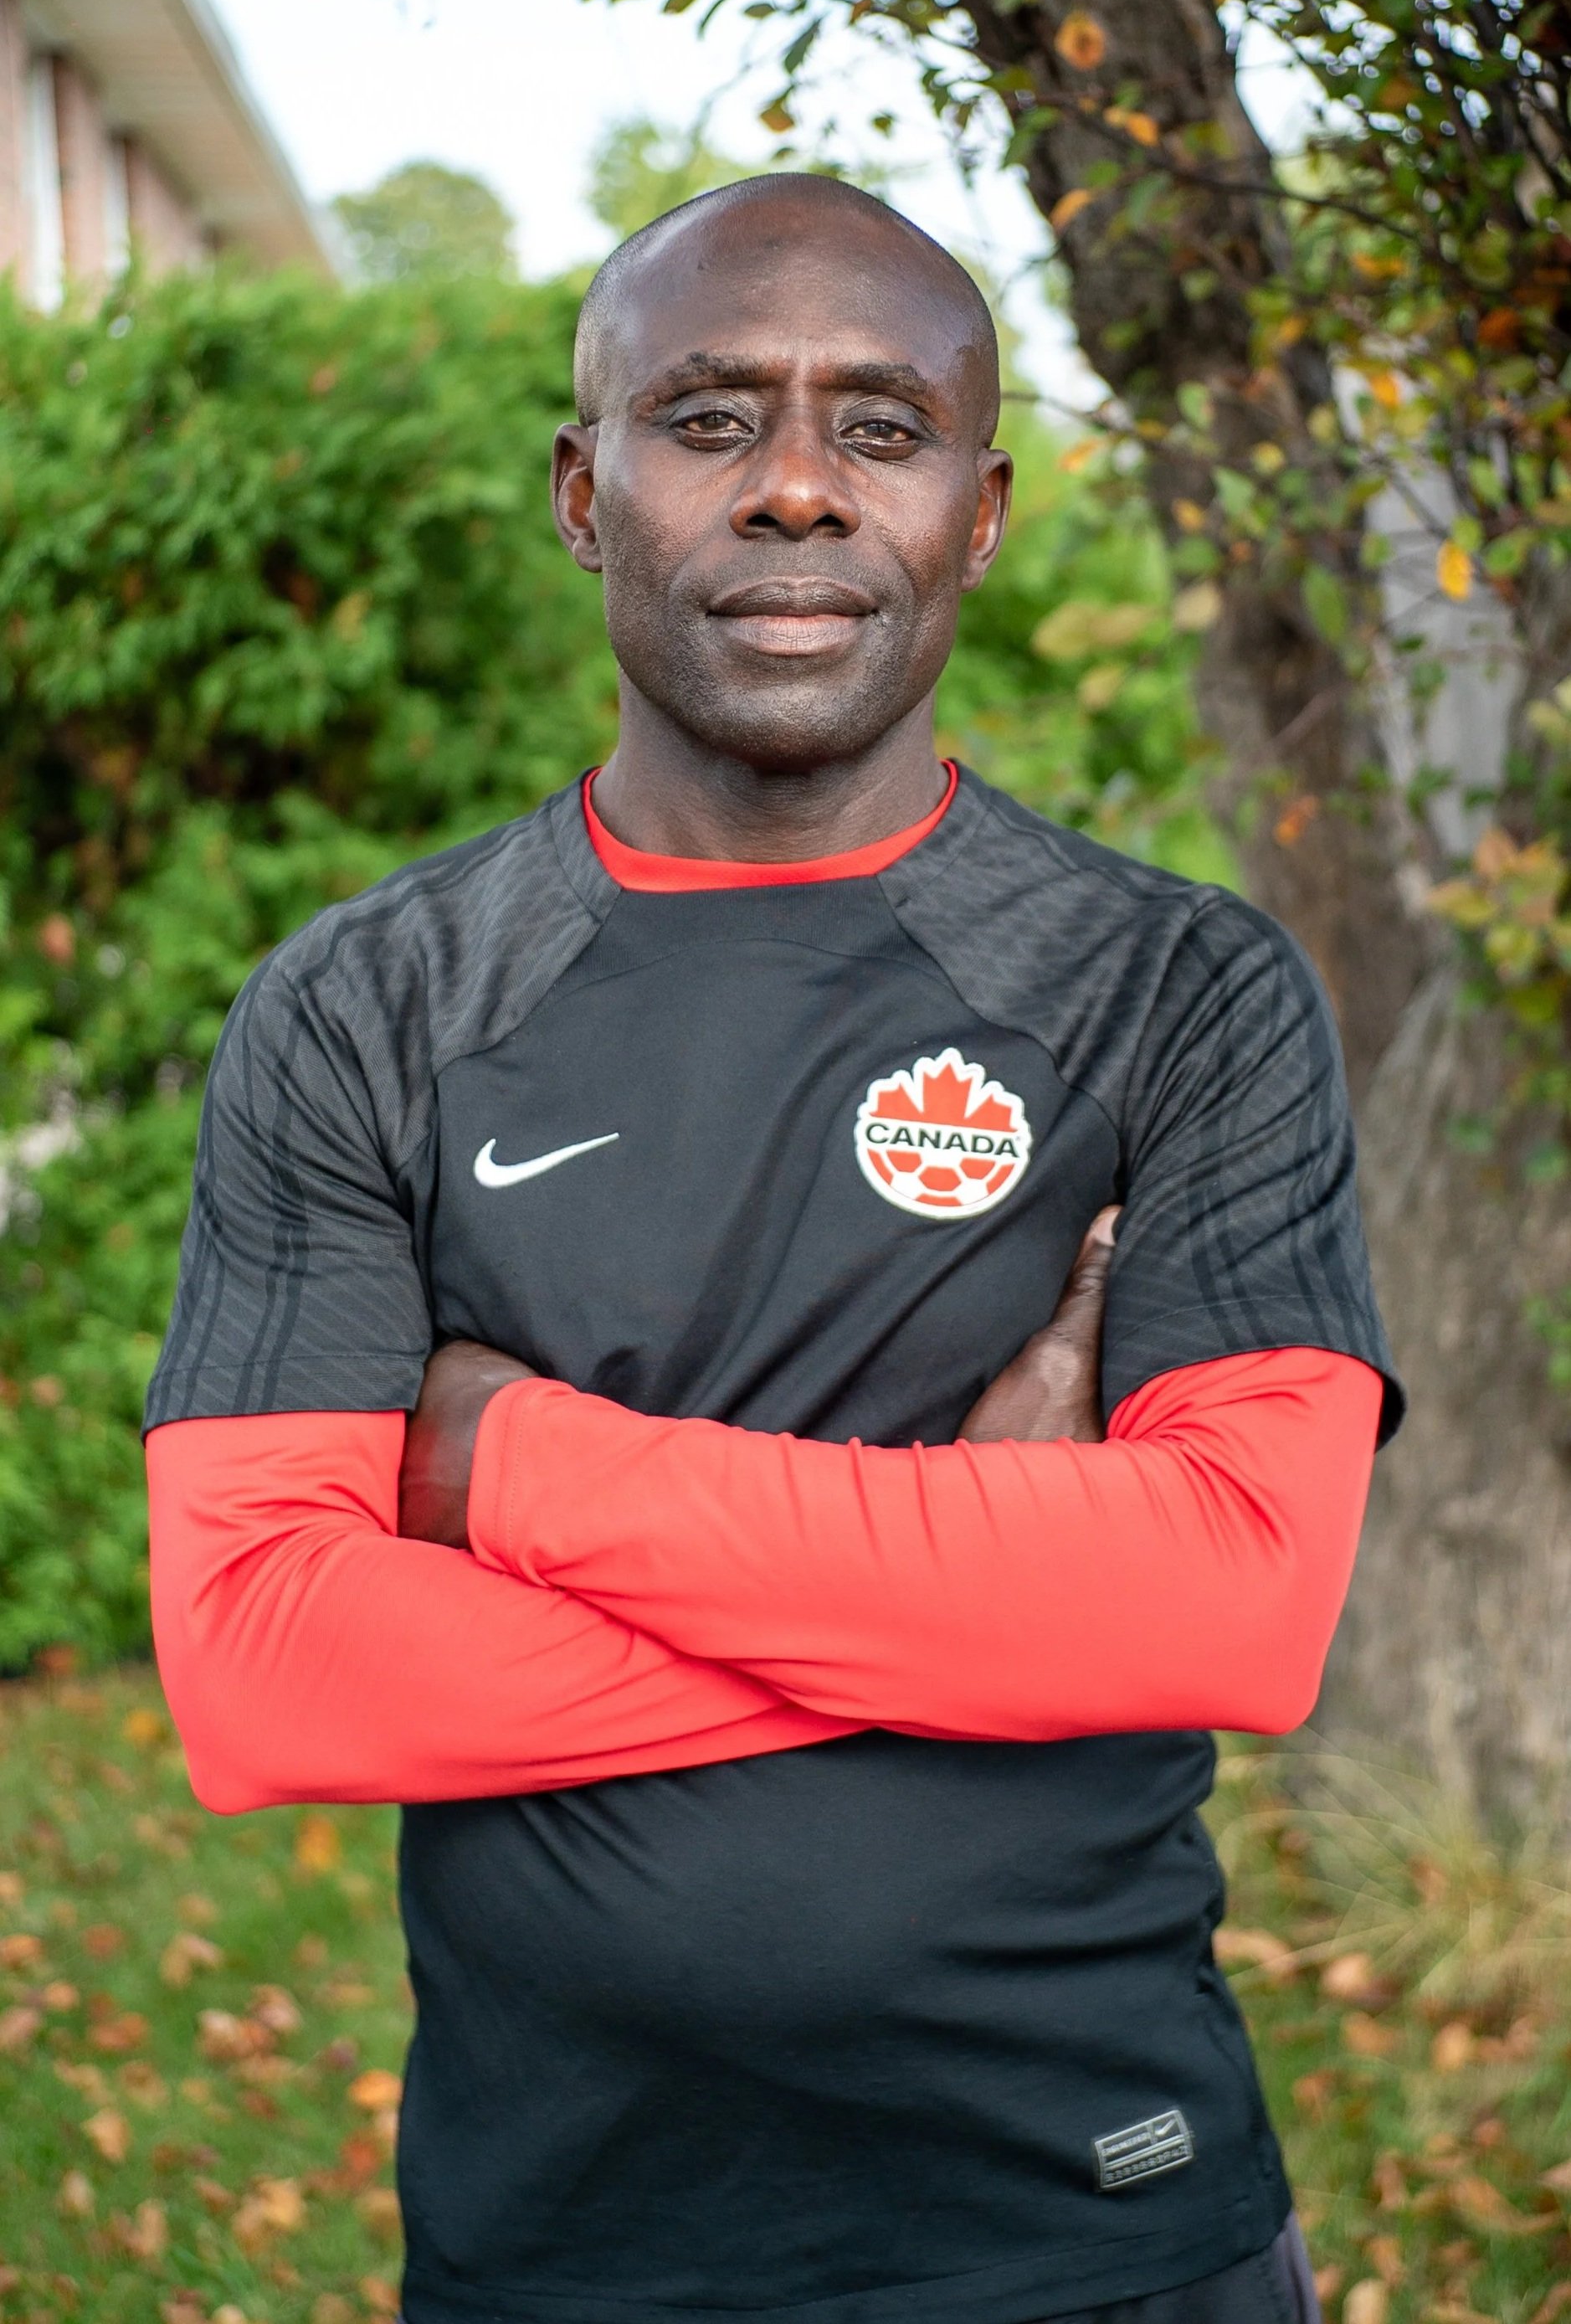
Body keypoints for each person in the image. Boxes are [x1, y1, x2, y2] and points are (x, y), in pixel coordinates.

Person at [144, 175, 1400, 2324]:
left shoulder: (1180, 994)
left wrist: (520, 1476)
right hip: (567, 2241)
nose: (802, 488)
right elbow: (265, 1658)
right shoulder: (370, 1009)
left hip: (1098, 2221)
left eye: (881, 427)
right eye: (710, 418)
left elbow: (1234, 1605)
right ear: (583, 485)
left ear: (981, 513)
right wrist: (991, 1570)